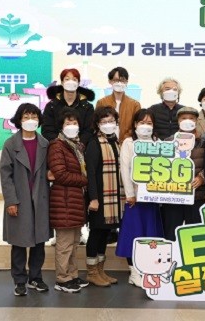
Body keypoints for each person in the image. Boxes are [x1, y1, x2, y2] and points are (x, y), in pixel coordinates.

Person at [0, 103, 50, 297]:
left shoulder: (45, 144)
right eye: (26, 116)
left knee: (39, 241)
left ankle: (36, 277)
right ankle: (19, 280)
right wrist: (11, 201)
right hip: (20, 200)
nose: (31, 120)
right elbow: (6, 176)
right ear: (19, 120)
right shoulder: (10, 144)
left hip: (40, 199)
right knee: (19, 242)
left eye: (34, 116)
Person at [116, 109, 164, 287]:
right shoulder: (129, 143)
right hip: (135, 199)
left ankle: (148, 270)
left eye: (149, 123)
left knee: (150, 234)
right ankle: (134, 272)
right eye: (142, 122)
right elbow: (125, 168)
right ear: (135, 124)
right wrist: (130, 194)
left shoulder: (158, 143)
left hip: (152, 199)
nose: (146, 126)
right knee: (133, 234)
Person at [47, 109, 89, 293]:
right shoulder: (57, 146)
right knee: (64, 245)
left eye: (75, 123)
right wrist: (85, 179)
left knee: (73, 243)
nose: (72, 126)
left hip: (74, 201)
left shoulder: (77, 146)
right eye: (67, 123)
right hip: (63, 201)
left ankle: (72, 275)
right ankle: (62, 279)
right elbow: (60, 174)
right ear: (61, 126)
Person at [84, 106, 123, 287]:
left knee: (105, 233)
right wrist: (93, 198)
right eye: (104, 121)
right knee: (96, 233)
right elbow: (90, 173)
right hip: (99, 198)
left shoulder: (115, 141)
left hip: (112, 200)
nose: (108, 124)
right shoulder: (94, 143)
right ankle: (92, 272)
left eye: (111, 121)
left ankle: (100, 270)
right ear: (97, 124)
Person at [163, 107, 205, 240]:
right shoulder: (168, 141)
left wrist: (202, 177)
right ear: (178, 121)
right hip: (173, 196)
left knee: (194, 235)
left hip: (196, 195)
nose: (187, 121)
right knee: (171, 232)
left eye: (191, 118)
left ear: (197, 121)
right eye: (183, 118)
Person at [42, 68, 95, 144]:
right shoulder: (51, 106)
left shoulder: (87, 107)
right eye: (67, 79)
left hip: (81, 147)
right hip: (58, 146)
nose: (71, 82)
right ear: (62, 82)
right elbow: (47, 130)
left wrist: (79, 144)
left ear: (78, 83)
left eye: (74, 79)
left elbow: (89, 130)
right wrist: (62, 144)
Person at [95, 67, 141, 144]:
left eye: (122, 80)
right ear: (110, 81)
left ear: (126, 82)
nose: (119, 83)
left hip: (128, 143)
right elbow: (97, 124)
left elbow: (136, 126)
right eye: (116, 80)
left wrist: (125, 140)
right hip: (106, 143)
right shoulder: (102, 102)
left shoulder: (135, 104)